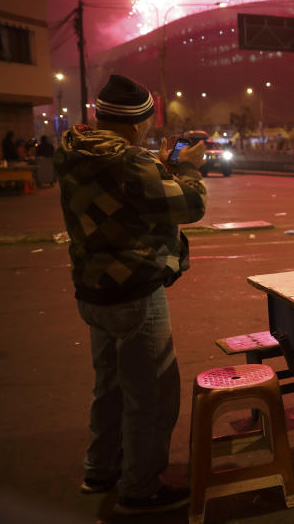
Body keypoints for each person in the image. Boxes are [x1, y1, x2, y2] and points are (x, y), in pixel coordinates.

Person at [54, 74, 207, 515]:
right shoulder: (129, 164)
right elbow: (189, 206)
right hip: (133, 290)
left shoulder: (73, 150)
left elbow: (122, 192)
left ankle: (100, 469)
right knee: (152, 395)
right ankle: (140, 489)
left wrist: (157, 165)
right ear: (141, 120)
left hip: (92, 289)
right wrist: (188, 167)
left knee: (110, 385)